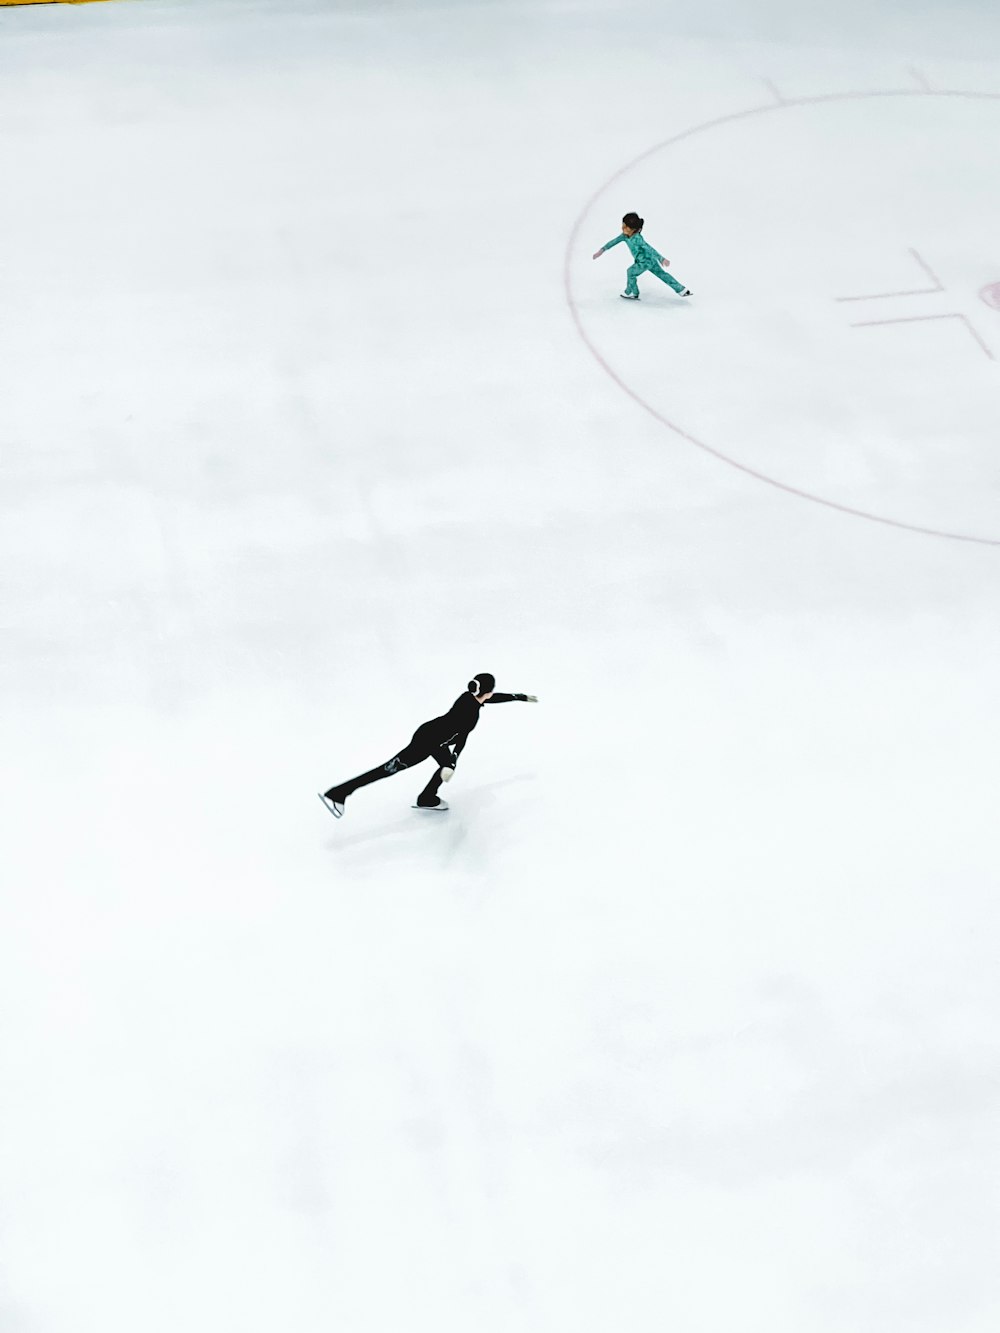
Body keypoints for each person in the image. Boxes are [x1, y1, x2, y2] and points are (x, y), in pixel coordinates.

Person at [318, 673, 538, 818]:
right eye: (492, 690)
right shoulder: (469, 713)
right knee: (387, 770)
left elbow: (492, 698)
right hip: (428, 741)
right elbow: (461, 738)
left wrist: (518, 696)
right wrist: (451, 760)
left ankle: (427, 798)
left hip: (432, 733)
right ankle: (338, 794)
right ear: (485, 692)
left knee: (445, 768)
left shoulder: (471, 698)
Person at [592, 211, 691, 301]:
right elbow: (613, 242)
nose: (623, 228)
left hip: (645, 262)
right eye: (623, 225)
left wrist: (661, 258)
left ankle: (632, 292)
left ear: (634, 229)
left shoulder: (638, 239)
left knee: (631, 272)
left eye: (626, 227)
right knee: (662, 275)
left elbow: (649, 248)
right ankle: (681, 290)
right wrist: (602, 250)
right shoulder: (624, 236)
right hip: (648, 261)